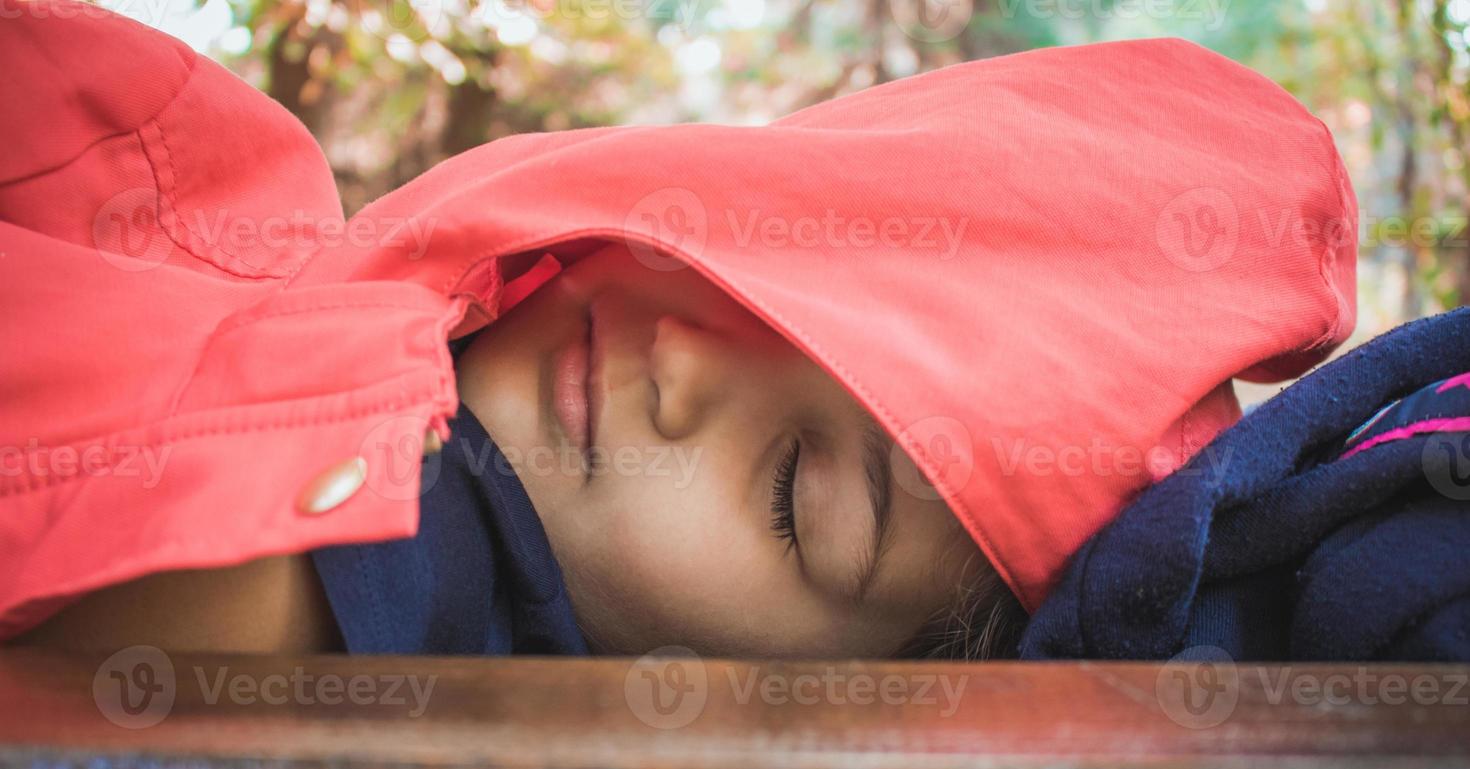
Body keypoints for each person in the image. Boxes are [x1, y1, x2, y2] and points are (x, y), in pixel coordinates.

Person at [0, 2, 1356, 659]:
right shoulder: (189, 160)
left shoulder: (408, 550)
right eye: (745, 267)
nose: (679, 362)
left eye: (792, 490)